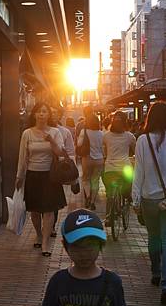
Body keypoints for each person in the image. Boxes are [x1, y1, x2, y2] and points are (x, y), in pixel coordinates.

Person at [132, 102, 166, 306]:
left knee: (153, 237)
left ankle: (155, 272)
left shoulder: (142, 140)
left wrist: (135, 198)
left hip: (149, 198)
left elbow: (138, 173)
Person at [16, 102, 66, 256]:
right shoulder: (27, 133)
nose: (42, 114)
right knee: (35, 211)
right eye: (39, 112)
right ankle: (38, 234)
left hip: (50, 177)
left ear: (49, 115)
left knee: (49, 210)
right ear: (34, 114)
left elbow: (60, 154)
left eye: (45, 111)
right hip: (32, 175)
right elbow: (23, 156)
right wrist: (19, 176)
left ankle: (45, 243)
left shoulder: (55, 132)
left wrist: (51, 140)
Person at [102, 111, 136, 222]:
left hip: (109, 169)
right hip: (125, 168)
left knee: (110, 193)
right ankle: (127, 198)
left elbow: (104, 151)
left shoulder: (106, 136)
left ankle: (108, 217)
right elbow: (135, 151)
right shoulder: (130, 136)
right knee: (127, 186)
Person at [51, 107, 79, 236]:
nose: (52, 115)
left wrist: (73, 175)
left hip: (56, 171)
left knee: (53, 200)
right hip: (40, 169)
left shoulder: (64, 132)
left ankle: (51, 226)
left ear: (59, 116)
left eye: (54, 113)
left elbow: (70, 151)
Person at [77, 114, 104, 210]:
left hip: (87, 158)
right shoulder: (101, 133)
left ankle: (88, 196)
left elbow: (79, 144)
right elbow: (103, 147)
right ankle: (92, 202)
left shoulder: (84, 132)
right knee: (95, 180)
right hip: (99, 159)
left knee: (86, 179)